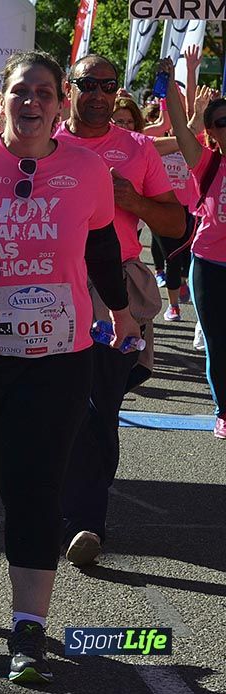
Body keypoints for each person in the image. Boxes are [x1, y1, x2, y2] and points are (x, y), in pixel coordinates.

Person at [0, 50, 140, 684]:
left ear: (60, 103)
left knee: (37, 492)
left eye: (44, 92)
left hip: (56, 358)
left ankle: (29, 629)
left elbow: (99, 246)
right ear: (1, 99)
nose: (31, 102)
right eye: (19, 92)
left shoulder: (86, 169)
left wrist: (121, 313)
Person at [54, 55, 185, 568]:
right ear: (70, 88)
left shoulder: (137, 148)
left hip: (115, 290)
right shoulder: (46, 140)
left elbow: (175, 223)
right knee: (47, 402)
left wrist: (133, 198)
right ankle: (51, 508)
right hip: (50, 283)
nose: (99, 94)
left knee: (98, 407)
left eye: (108, 86)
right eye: (88, 84)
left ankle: (86, 522)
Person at [160, 57, 226, 439]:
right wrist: (169, 82)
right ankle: (223, 410)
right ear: (212, 133)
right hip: (210, 265)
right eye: (220, 124)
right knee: (218, 340)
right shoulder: (207, 163)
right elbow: (182, 132)